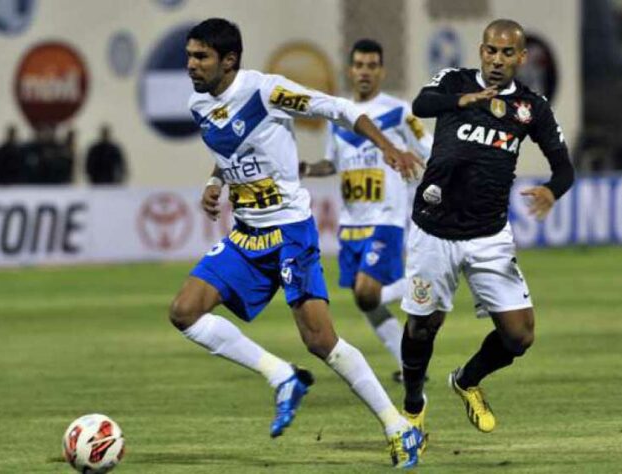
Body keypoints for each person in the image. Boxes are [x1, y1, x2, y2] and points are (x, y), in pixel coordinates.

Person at [168, 18, 424, 468]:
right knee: (184, 312)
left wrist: (386, 146)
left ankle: (397, 426)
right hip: (247, 233)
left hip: (289, 232)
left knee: (321, 340)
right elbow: (228, 152)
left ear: (228, 61)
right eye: (189, 55)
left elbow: (341, 109)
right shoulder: (198, 104)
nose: (190, 64)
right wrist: (215, 181)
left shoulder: (267, 91)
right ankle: (282, 376)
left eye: (200, 57)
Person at [399, 19, 575, 437]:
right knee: (423, 326)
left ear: (521, 57)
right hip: (434, 231)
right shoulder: (454, 81)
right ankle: (411, 410)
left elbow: (564, 167)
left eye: (507, 53)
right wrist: (462, 100)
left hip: (489, 235)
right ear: (481, 51)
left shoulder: (532, 107)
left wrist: (552, 190)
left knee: (519, 336)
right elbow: (422, 105)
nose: (497, 60)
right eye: (491, 51)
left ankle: (466, 380)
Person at [300, 39, 432, 384]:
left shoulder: (399, 112)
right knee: (367, 302)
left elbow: (429, 149)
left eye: (372, 65)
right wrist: (308, 169)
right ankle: (409, 365)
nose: (365, 71)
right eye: (359, 64)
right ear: (350, 69)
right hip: (351, 223)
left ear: (381, 71)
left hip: (386, 218)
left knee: (365, 292)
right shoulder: (339, 115)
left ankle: (427, 281)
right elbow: (333, 162)